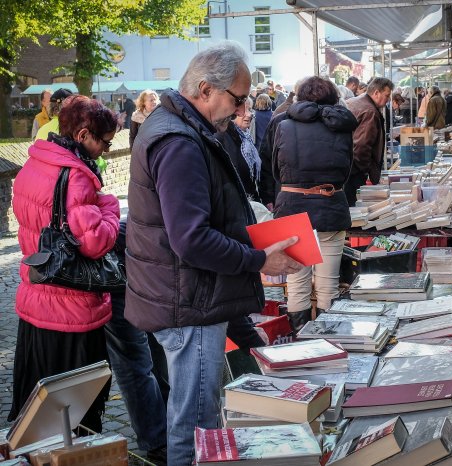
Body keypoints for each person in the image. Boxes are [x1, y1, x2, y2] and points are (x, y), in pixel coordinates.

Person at [125, 41, 303, 465]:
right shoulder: (179, 141)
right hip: (189, 302)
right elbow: (191, 239)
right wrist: (260, 260)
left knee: (199, 413)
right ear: (205, 89)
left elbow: (203, 224)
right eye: (237, 99)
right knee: (196, 422)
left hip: (192, 294)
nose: (243, 110)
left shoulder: (184, 129)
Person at [10, 95, 120, 434]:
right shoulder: (77, 177)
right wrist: (110, 207)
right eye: (105, 141)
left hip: (36, 298)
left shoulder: (34, 164)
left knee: (40, 407)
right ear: (84, 134)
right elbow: (95, 240)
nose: (105, 148)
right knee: (76, 410)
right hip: (72, 308)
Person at [272, 76, 358, 331]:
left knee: (297, 281)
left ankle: (300, 342)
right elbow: (347, 170)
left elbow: (275, 169)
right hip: (331, 204)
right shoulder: (343, 126)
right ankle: (327, 342)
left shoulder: (283, 124)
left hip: (292, 205)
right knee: (328, 283)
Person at [105, 221, 168, 465]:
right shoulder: (73, 182)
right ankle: (157, 439)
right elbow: (93, 233)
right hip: (109, 275)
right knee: (135, 362)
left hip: (132, 266)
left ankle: (164, 430)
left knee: (152, 352)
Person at [345, 77, 394, 207]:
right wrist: (365, 171)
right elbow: (362, 145)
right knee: (354, 208)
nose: (388, 99)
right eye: (387, 95)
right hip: (355, 170)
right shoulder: (370, 111)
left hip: (345, 165)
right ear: (376, 92)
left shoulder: (353, 101)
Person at [216, 96, 262, 202]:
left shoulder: (245, 138)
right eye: (245, 110)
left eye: (250, 110)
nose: (249, 115)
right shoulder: (222, 136)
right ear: (231, 113)